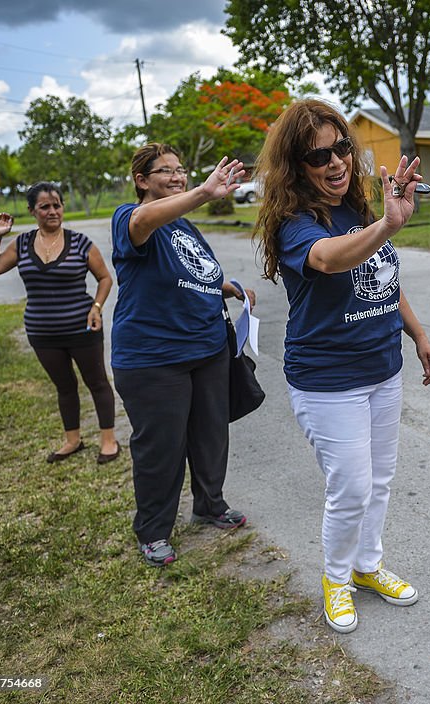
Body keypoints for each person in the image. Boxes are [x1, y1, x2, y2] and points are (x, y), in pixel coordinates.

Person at [253, 100, 430, 634]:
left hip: (382, 369)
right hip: (328, 381)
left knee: (379, 481)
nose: (335, 163)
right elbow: (332, 259)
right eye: (318, 156)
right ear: (296, 166)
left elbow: (384, 278)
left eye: (341, 149)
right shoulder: (295, 224)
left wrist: (419, 335)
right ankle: (336, 579)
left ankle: (367, 565)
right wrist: (386, 224)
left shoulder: (358, 210)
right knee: (351, 487)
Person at [112, 144, 254, 567]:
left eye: (181, 170)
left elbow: (194, 273)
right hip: (153, 359)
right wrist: (204, 194)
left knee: (211, 434)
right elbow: (143, 221)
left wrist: (226, 287)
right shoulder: (132, 218)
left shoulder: (185, 227)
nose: (177, 177)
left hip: (207, 349)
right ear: (142, 180)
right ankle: (153, 531)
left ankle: (210, 505)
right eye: (165, 171)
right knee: (162, 447)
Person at [0, 183, 119, 464]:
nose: (53, 211)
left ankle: (108, 440)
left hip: (83, 328)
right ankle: (73, 440)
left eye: (57, 205)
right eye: (45, 206)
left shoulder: (80, 243)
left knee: (96, 382)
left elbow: (105, 278)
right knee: (64, 386)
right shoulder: (21, 244)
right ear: (32, 211)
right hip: (42, 332)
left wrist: (97, 307)